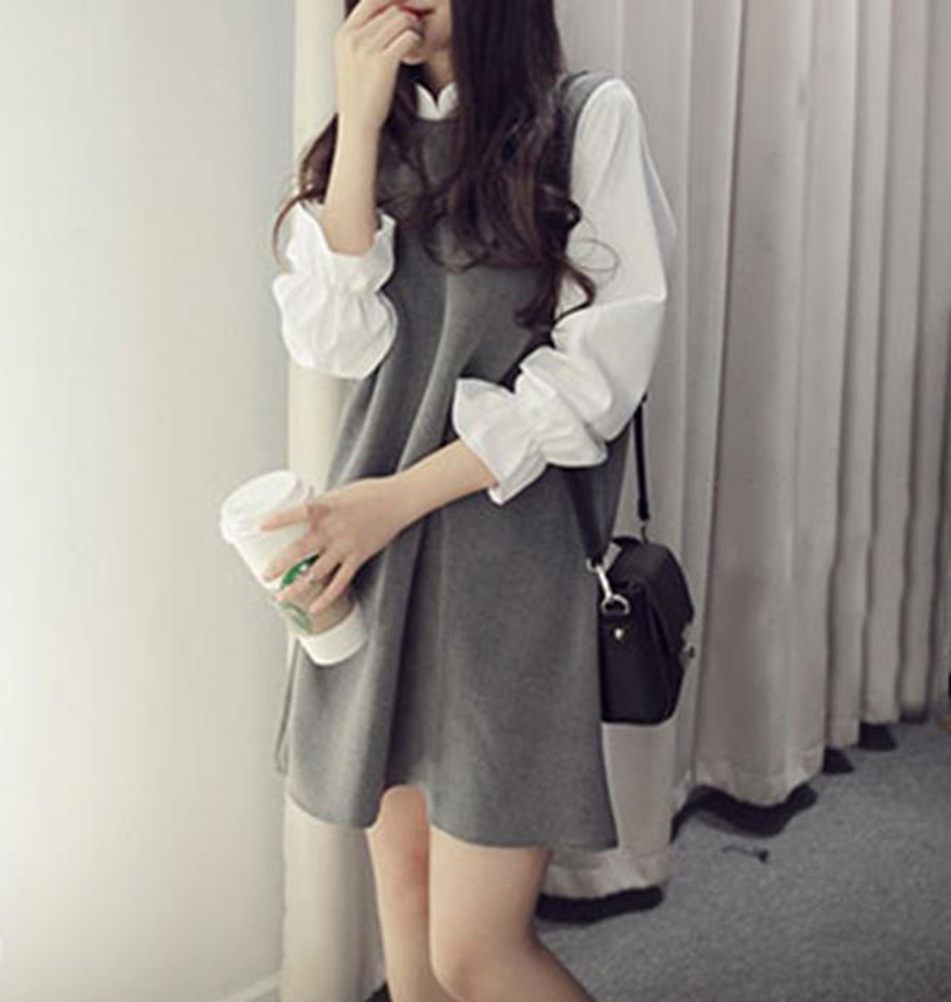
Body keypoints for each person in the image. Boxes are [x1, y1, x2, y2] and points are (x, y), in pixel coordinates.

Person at [261, 1, 677, 999]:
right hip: (378, 560)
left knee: (475, 952)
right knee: (407, 927)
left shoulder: (586, 121)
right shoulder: (376, 134)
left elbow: (594, 382)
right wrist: (359, 124)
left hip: (509, 570)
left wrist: (390, 503)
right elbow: (331, 342)